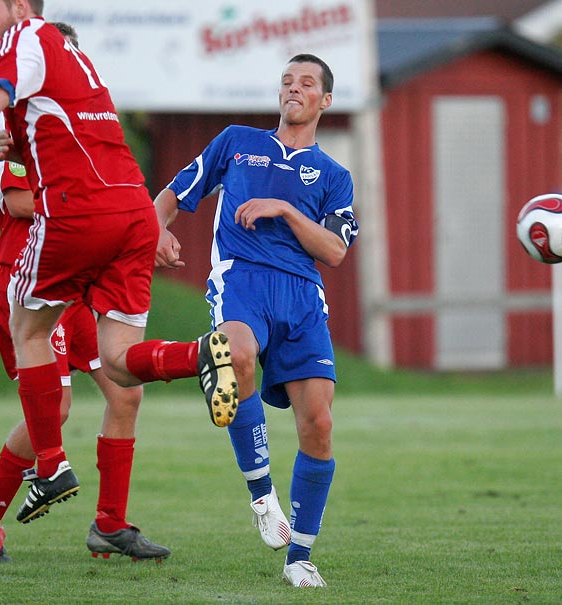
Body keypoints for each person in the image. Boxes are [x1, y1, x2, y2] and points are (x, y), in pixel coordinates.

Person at [0, 0, 239, 542]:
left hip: (72, 240)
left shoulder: (31, 44)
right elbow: (19, 195)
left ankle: (71, 488)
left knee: (90, 373)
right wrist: (12, 142)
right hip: (85, 237)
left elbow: (36, 153)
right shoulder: (48, 99)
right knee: (89, 386)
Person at [0, 22, 170, 564]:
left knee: (125, 392)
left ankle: (111, 526)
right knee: (56, 408)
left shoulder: (76, 124)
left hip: (79, 271)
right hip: (30, 272)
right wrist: (91, 204)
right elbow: (20, 202)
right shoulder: (8, 125)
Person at [154, 54, 358, 587]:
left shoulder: (335, 177)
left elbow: (335, 251)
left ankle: (300, 558)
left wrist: (286, 210)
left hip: (303, 297)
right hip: (242, 278)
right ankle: (262, 494)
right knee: (235, 353)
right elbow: (173, 194)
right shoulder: (237, 142)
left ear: (325, 101)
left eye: (306, 83)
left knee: (319, 424)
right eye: (287, 81)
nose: (294, 88)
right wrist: (157, 229)